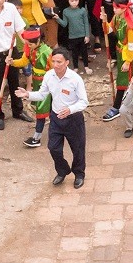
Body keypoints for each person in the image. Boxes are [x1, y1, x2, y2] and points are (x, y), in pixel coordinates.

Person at [37, 49, 89, 189]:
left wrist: (70, 110)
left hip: (73, 119)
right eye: (53, 61)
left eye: (59, 62)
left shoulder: (75, 79)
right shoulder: (49, 76)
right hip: (56, 118)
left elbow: (84, 102)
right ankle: (62, 170)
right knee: (53, 148)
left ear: (67, 62)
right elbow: (42, 95)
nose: (55, 65)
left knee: (78, 149)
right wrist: (27, 94)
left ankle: (79, 174)